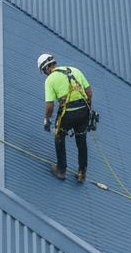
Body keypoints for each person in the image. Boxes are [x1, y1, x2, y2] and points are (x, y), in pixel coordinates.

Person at [38, 53, 92, 182]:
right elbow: (89, 93)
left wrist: (47, 120)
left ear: (46, 69)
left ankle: (61, 170)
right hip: (83, 112)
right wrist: (87, 111)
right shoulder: (75, 70)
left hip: (67, 114)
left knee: (59, 136)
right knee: (81, 140)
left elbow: (50, 106)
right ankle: (82, 173)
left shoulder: (50, 80)